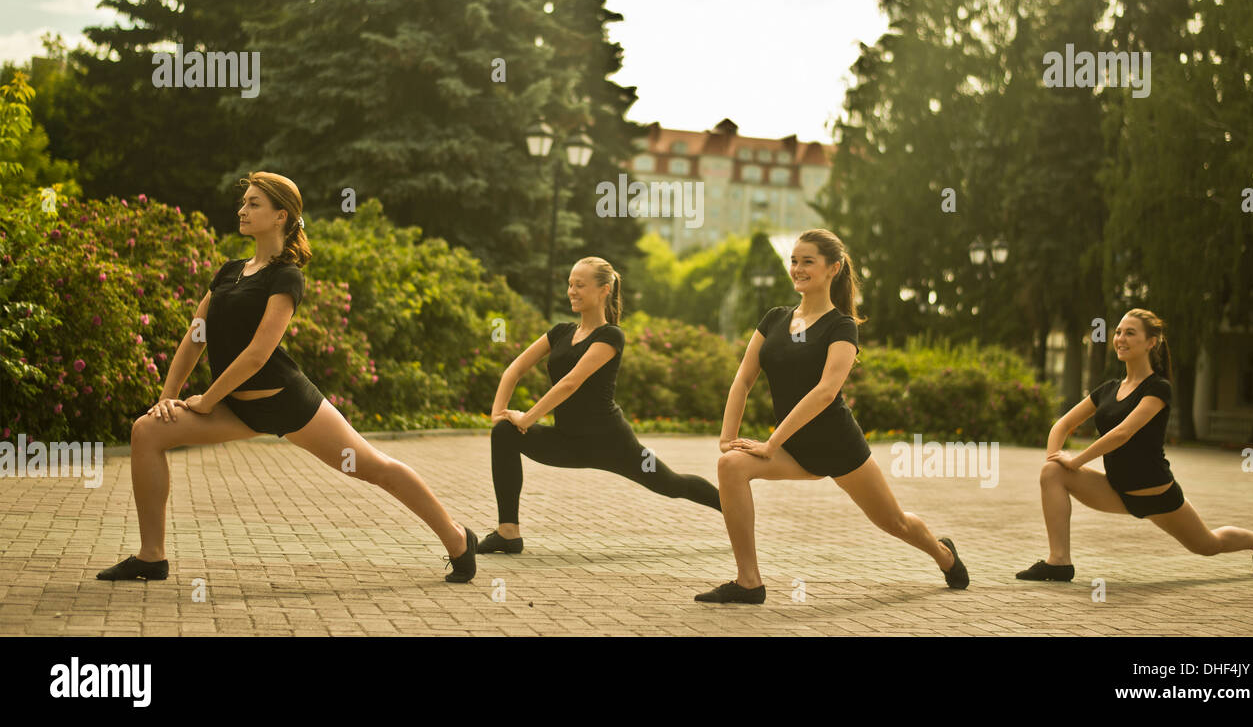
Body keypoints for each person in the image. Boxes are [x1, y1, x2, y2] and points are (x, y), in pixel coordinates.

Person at [96, 171, 477, 584]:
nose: (242, 210)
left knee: (372, 466)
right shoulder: (228, 272)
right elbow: (196, 336)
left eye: (254, 203)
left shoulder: (286, 275)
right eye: (243, 202)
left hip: (287, 402)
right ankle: (151, 557)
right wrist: (168, 396)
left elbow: (259, 354)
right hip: (237, 408)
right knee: (147, 432)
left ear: (280, 216)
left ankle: (457, 540)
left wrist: (206, 399)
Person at [695, 228, 968, 603]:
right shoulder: (774, 319)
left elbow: (825, 393)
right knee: (731, 465)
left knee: (894, 522)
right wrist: (728, 437)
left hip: (837, 445)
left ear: (832, 268)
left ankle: (943, 554)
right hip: (792, 446)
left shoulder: (842, 326)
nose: (798, 268)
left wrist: (771, 442)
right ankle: (749, 582)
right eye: (794, 260)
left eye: (808, 261)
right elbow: (743, 378)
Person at [476, 256, 722, 554]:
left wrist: (527, 418)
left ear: (604, 290)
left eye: (580, 285)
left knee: (671, 485)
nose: (572, 291)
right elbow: (514, 369)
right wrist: (498, 413)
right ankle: (508, 533)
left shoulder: (611, 336)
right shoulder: (560, 332)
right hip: (567, 441)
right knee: (503, 434)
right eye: (570, 284)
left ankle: (732, 508)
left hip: (611, 442)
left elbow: (570, 383)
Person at [1016, 308, 1253, 581]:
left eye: (1130, 333)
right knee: (1052, 473)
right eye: (1117, 332)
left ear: (1151, 342)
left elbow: (1123, 433)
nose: (1120, 338)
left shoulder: (1158, 388)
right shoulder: (1108, 389)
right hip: (1116, 491)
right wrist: (1054, 457)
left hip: (1156, 494)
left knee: (1208, 545)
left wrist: (1076, 461)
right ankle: (1059, 562)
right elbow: (1063, 424)